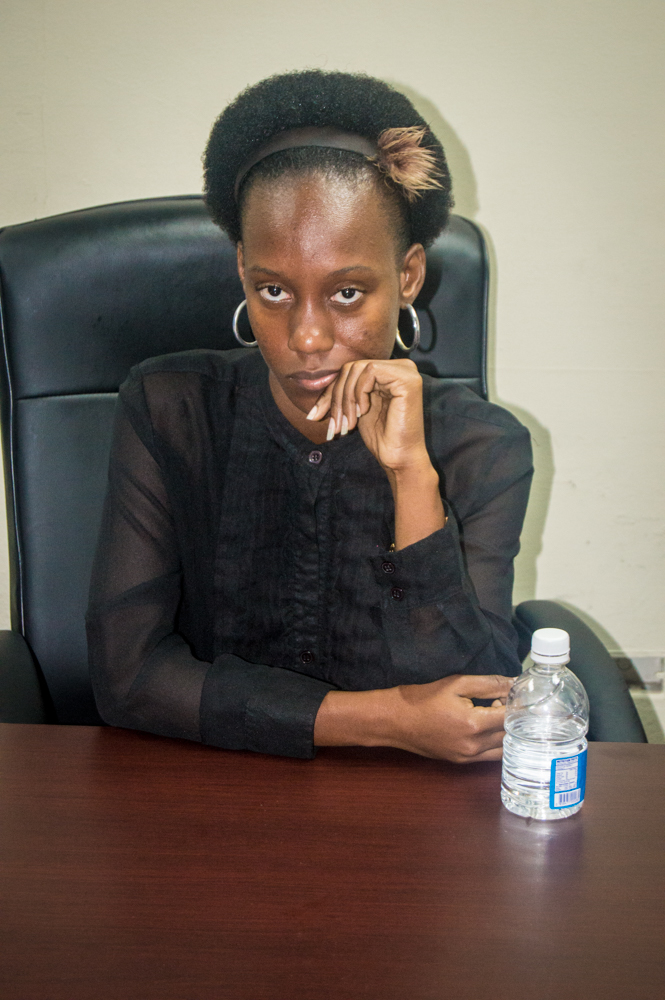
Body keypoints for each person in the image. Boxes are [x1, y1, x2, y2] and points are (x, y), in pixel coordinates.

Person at [86, 70, 533, 763]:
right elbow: (127, 677)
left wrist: (411, 477)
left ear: (408, 276)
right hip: (204, 789)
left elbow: (476, 701)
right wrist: (382, 719)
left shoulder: (481, 446)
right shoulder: (170, 407)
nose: (307, 337)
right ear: (241, 269)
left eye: (348, 292)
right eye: (273, 290)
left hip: (410, 819)